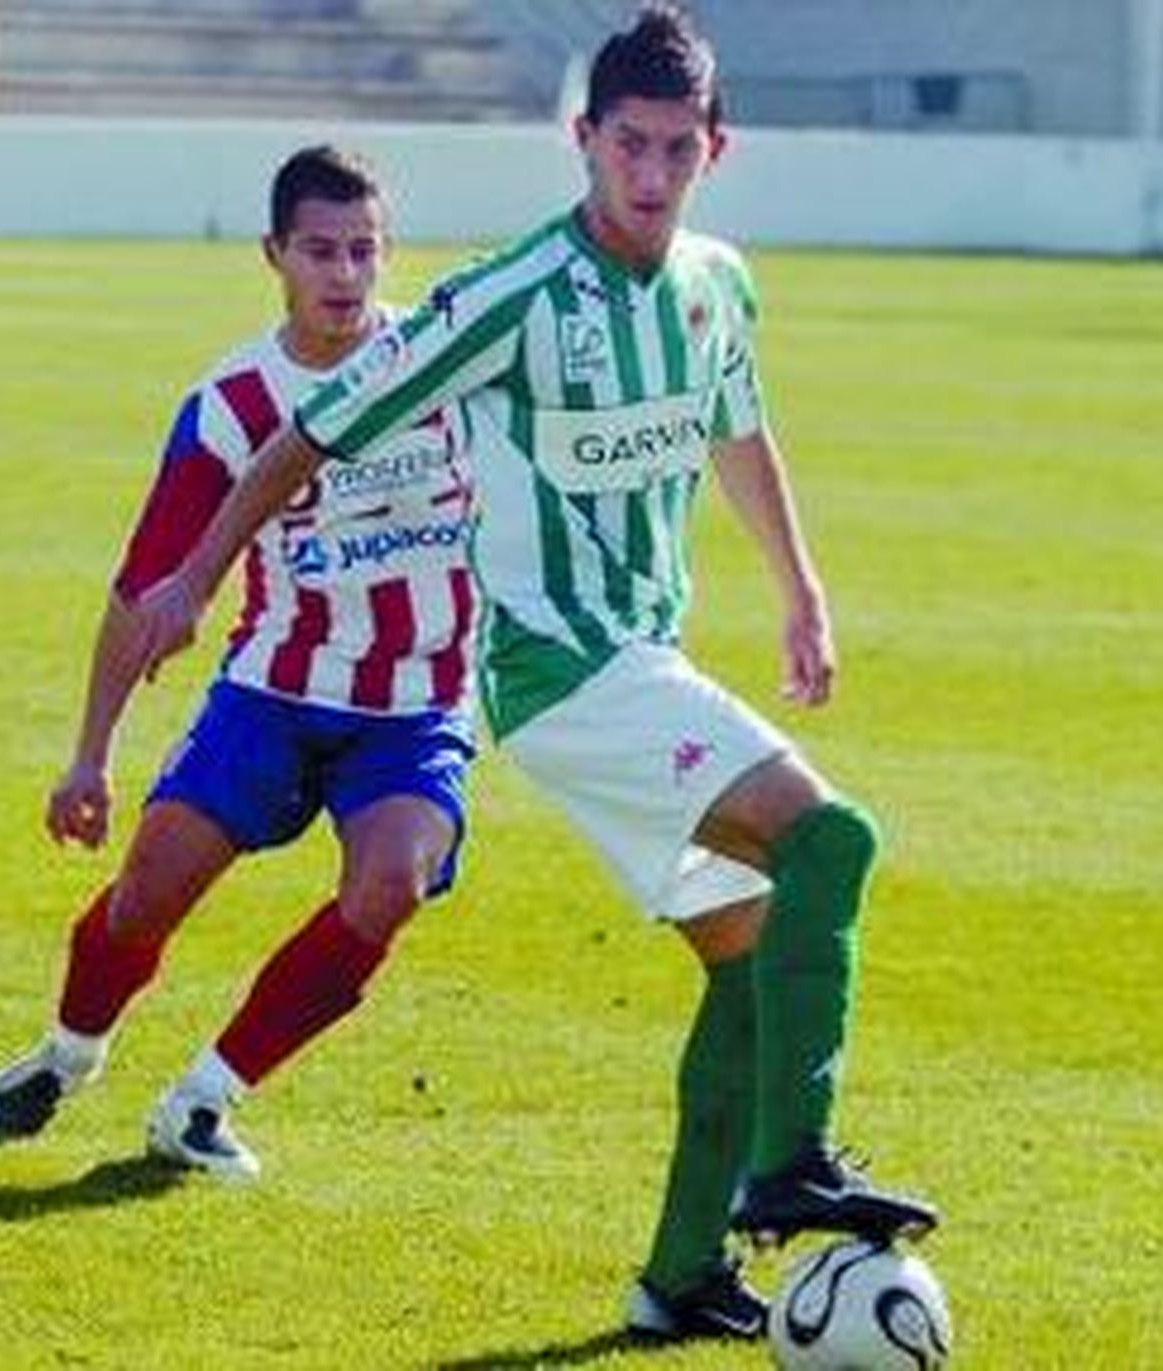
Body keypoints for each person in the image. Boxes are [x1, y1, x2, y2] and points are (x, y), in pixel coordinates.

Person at [134, 4, 938, 1344]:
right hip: (558, 670)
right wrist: (197, 573)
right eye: (630, 143)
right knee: (833, 839)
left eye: (679, 148)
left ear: (713, 150)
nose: (653, 171)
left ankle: (680, 1272)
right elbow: (311, 435)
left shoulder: (716, 283)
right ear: (584, 141)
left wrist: (800, 590)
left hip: (643, 660)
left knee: (745, 968)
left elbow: (739, 425)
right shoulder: (509, 296)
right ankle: (796, 1158)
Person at [0, 146, 478, 1184]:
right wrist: (89, 757)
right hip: (274, 693)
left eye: (365, 251)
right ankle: (67, 1055)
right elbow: (142, 588)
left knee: (392, 883)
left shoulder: (449, 366)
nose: (345, 275)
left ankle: (204, 1099)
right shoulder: (233, 402)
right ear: (273, 254)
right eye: (321, 251)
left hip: (418, 706)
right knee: (145, 895)